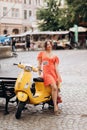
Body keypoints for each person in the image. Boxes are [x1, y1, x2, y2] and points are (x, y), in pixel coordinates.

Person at [37, 40, 62, 115]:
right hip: (46, 73)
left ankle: (53, 103)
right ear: (45, 46)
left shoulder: (55, 56)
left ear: (52, 45)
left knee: (56, 89)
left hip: (53, 73)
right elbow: (39, 64)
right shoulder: (42, 53)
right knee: (54, 87)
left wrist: (58, 76)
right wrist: (39, 72)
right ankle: (55, 106)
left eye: (50, 44)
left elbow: (56, 67)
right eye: (47, 44)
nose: (49, 45)